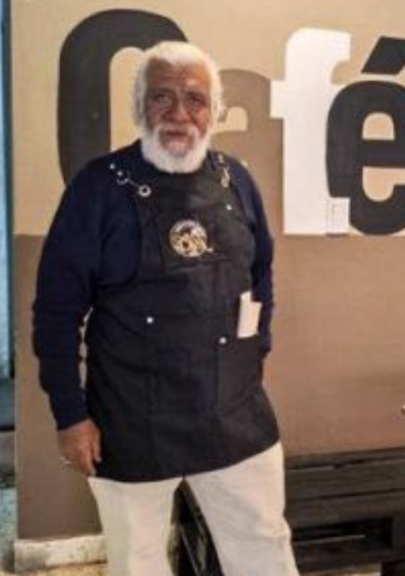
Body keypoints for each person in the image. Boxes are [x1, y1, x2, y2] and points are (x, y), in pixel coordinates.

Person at [33, 41, 298, 576]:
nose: (180, 113)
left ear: (214, 111)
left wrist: (257, 350)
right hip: (131, 415)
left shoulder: (237, 180)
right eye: (162, 97)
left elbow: (261, 273)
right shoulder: (97, 188)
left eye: (195, 99)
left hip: (234, 410)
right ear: (140, 107)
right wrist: (71, 414)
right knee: (138, 561)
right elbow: (56, 313)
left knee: (264, 547)